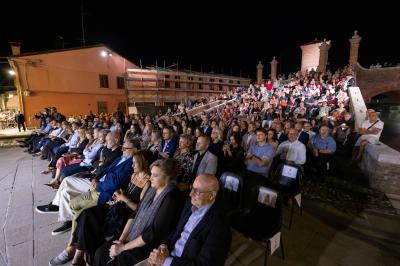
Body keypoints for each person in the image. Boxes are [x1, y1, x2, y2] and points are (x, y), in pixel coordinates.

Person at [93, 159, 182, 266]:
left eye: (155, 175)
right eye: (151, 174)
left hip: (149, 245)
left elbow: (152, 233)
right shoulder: (152, 189)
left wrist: (123, 247)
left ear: (167, 177)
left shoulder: (171, 197)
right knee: (100, 253)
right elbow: (135, 214)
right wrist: (121, 240)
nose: (150, 178)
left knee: (116, 261)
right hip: (134, 234)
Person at [147, 174, 231, 266]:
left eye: (197, 191)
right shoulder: (189, 205)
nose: (190, 194)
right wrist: (164, 247)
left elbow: (205, 264)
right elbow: (175, 230)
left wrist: (165, 261)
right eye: (192, 188)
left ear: (211, 195)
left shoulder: (220, 227)